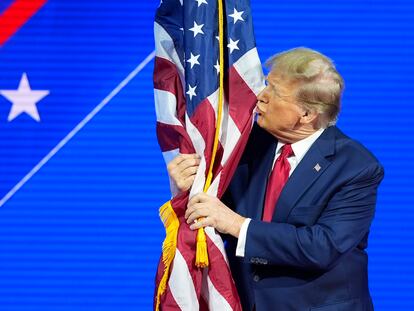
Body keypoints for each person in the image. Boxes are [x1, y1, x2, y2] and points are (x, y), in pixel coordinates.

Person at [168, 47, 384, 311]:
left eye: (275, 92)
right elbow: (215, 212)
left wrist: (237, 225)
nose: (261, 97)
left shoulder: (355, 167)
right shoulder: (245, 145)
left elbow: (322, 246)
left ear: (306, 115)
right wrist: (190, 186)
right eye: (267, 84)